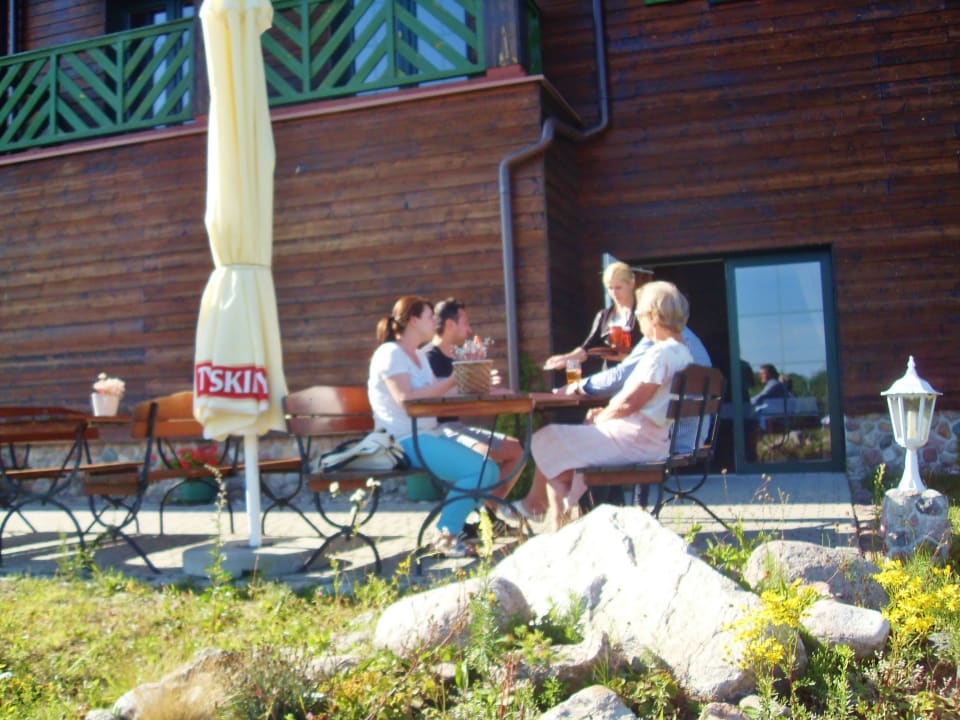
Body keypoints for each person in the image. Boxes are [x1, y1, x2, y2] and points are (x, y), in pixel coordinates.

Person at [529, 281, 695, 531]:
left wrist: (602, 416)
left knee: (547, 437)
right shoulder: (683, 353)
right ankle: (563, 517)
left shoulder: (661, 354)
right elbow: (639, 401)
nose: (638, 320)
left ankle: (557, 521)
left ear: (653, 316)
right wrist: (606, 413)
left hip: (636, 441)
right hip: (653, 439)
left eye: (640, 314)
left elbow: (631, 401)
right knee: (563, 452)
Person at [367, 295, 499, 557]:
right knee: (481, 469)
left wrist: (476, 380)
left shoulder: (418, 355)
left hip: (427, 435)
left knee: (490, 469)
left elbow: (439, 394)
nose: (434, 323)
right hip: (402, 441)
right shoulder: (390, 353)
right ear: (413, 320)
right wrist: (453, 378)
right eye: (430, 317)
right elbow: (406, 399)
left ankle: (449, 532)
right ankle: (446, 537)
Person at [425, 297, 527, 529]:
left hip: (457, 428)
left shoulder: (458, 358)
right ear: (450, 324)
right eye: (466, 323)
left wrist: (487, 386)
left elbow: (466, 393)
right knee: (485, 456)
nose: (470, 330)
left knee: (517, 451)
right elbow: (437, 397)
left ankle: (486, 515)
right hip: (437, 431)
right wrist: (476, 386)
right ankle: (461, 524)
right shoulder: (428, 358)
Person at [543, 261, 647, 373]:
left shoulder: (644, 312)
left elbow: (655, 349)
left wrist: (627, 357)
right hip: (612, 374)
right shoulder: (603, 316)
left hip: (640, 373)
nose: (614, 293)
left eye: (618, 288)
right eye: (610, 288)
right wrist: (566, 358)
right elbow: (586, 348)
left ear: (631, 283)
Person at [751, 363, 790, 430]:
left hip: (775, 420)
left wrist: (744, 401)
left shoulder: (773, 384)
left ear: (769, 374)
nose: (760, 376)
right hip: (775, 419)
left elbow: (760, 397)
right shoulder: (773, 384)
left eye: (763, 374)